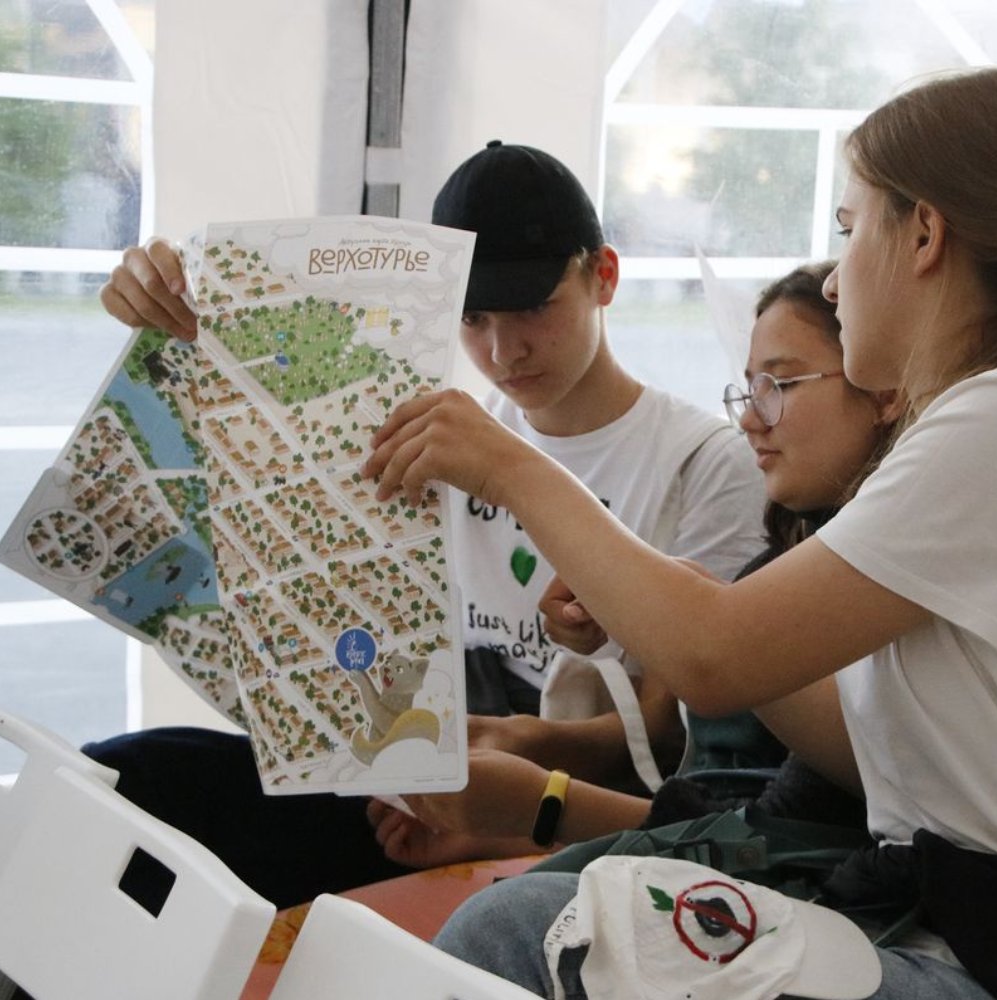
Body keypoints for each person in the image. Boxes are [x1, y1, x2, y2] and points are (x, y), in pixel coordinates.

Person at [364, 68, 997, 999]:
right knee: (537, 918)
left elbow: (715, 656)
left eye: (850, 229)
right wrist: (661, 608)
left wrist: (510, 467)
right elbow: (860, 745)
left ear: (926, 235)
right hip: (996, 939)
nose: (831, 274)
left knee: (515, 931)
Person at [86, 141, 767, 907]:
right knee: (125, 775)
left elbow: (694, 740)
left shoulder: (705, 464)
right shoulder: (432, 433)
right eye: (472, 317)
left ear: (603, 276)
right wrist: (179, 308)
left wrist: (517, 791)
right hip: (427, 779)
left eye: (533, 307)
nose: (504, 350)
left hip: (579, 819)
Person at [367, 260, 890, 867]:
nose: (751, 419)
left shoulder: (864, 582)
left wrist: (541, 808)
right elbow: (699, 773)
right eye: (750, 388)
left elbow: (775, 847)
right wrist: (527, 761)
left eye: (782, 384)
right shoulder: (782, 565)